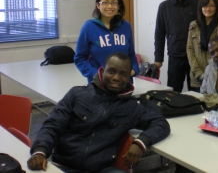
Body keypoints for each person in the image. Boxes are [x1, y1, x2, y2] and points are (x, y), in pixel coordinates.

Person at [27, 52, 170, 172]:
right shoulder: (77, 94)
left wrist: (140, 143)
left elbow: (160, 123)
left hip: (102, 169)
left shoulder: (131, 107)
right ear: (102, 71)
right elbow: (52, 125)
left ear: (128, 78)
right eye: (112, 71)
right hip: (64, 165)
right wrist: (40, 150)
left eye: (123, 74)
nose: (116, 78)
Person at [75, 0, 139, 84]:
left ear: (118, 6)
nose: (110, 6)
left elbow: (131, 56)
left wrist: (133, 70)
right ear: (98, 5)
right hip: (99, 84)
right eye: (105, 2)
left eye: (114, 3)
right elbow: (80, 58)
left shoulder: (126, 26)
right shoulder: (88, 27)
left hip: (123, 84)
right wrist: (97, 75)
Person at [154, 0, 199, 92]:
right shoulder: (164, 6)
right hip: (175, 57)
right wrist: (158, 59)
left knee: (196, 93)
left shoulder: (198, 4)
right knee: (173, 93)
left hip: (195, 57)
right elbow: (159, 33)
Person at [186, 0, 218, 92]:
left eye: (211, 6)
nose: (208, 9)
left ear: (217, 7)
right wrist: (199, 73)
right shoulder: (194, 25)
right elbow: (190, 49)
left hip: (216, 75)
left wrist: (211, 73)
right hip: (197, 75)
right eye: (205, 5)